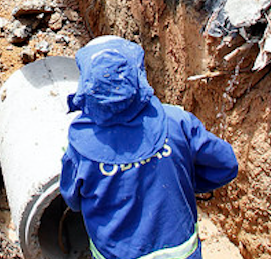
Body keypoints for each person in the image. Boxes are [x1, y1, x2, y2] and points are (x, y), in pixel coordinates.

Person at [60, 35, 238, 259]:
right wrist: (185, 181)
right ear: (138, 76)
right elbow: (226, 165)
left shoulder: (81, 147)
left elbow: (73, 200)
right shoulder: (176, 121)